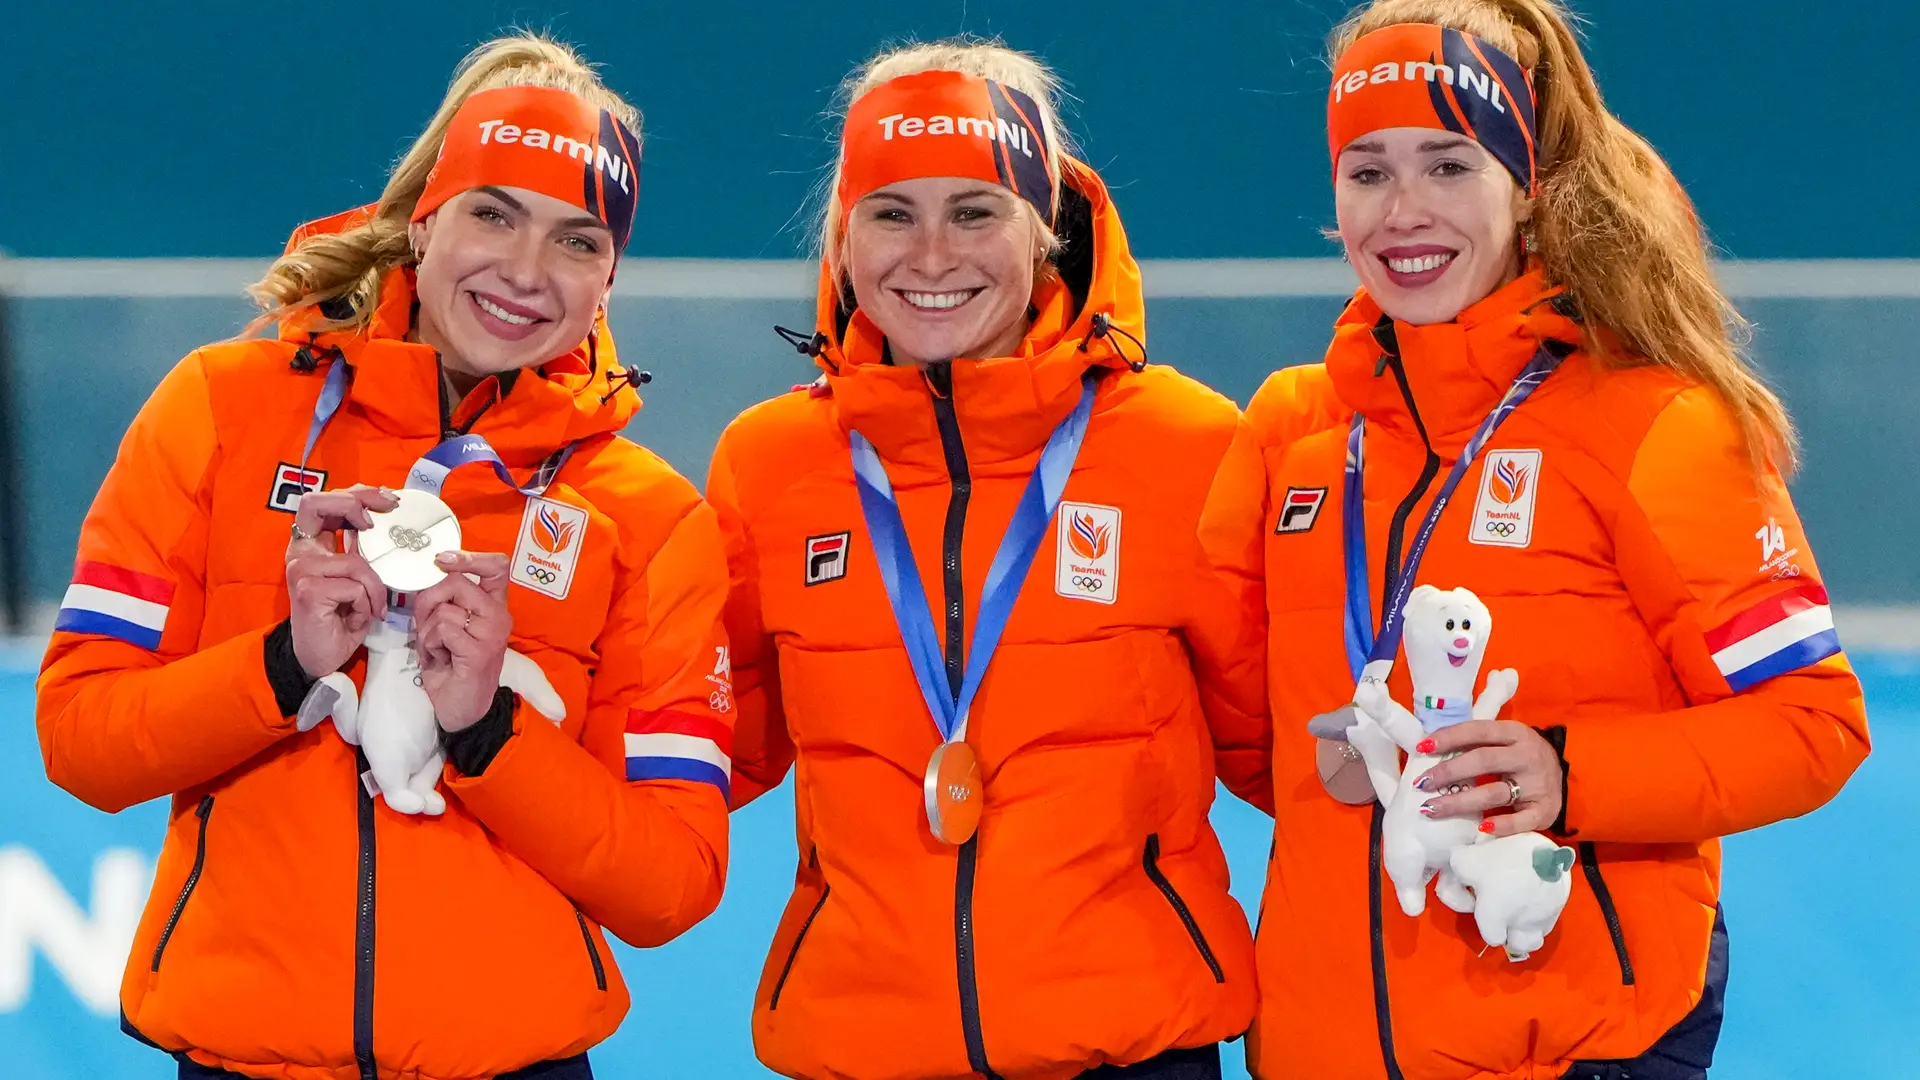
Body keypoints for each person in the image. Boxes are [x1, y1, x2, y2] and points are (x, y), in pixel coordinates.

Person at [36, 34, 731, 1080]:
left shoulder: (648, 515)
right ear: (424, 220)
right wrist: (282, 662)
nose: (526, 272)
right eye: (493, 213)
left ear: (610, 277)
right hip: (242, 1057)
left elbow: (671, 885)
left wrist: (486, 726)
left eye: (577, 241)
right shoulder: (224, 408)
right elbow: (82, 743)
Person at [1198, 2, 1873, 1078]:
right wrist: (1336, 760)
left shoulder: (1654, 423)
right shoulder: (1292, 431)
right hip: (1322, 1044)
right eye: (1367, 172)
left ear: (1531, 187)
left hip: (1573, 1043)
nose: (1403, 212)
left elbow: (1814, 725)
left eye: (1449, 165)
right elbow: (1241, 730)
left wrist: (1565, 773)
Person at [709, 39, 1272, 1080]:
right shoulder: (768, 463)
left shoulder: (1189, 445)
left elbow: (1283, 752)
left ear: (1046, 229)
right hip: (862, 1050)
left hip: (1136, 1050)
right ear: (841, 236)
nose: (930, 257)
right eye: (891, 213)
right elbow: (710, 754)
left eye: (974, 211)